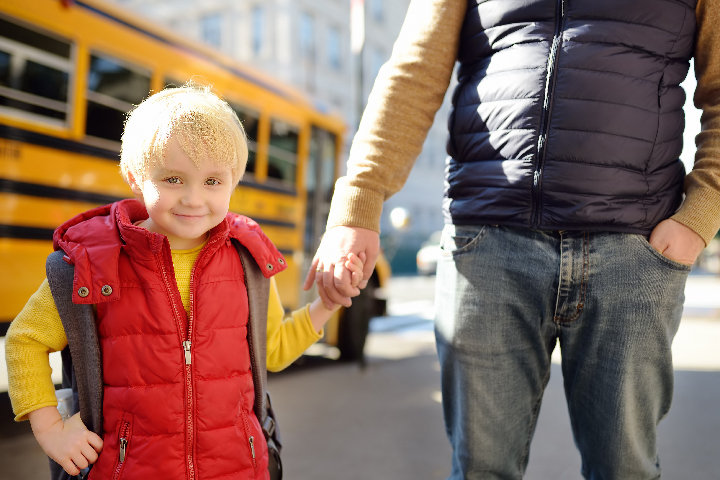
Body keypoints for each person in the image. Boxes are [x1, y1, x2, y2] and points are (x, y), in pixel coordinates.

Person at [306, 0, 720, 478]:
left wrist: (699, 217)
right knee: (480, 470)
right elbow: (414, 71)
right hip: (487, 243)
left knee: (624, 470)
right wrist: (360, 197)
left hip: (632, 249)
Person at [4, 84, 364, 479]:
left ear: (234, 181)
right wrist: (50, 428)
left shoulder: (247, 261)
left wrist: (326, 305)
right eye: (173, 179)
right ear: (135, 177)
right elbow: (26, 340)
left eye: (213, 182)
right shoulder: (93, 263)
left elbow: (273, 349)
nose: (194, 199)